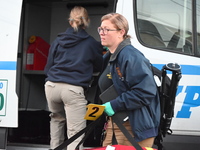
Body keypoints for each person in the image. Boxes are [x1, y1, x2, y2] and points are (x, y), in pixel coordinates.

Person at [44, 6, 103, 150]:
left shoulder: (58, 40)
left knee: (56, 119)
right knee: (75, 131)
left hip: (51, 87)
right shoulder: (91, 43)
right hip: (72, 89)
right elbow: (99, 66)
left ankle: (55, 148)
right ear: (87, 21)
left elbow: (48, 67)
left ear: (70, 22)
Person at [98, 13, 160, 148]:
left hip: (133, 128)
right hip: (115, 124)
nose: (102, 33)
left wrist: (114, 105)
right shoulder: (110, 56)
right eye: (100, 29)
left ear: (121, 32)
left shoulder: (131, 56)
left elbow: (145, 92)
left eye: (107, 30)